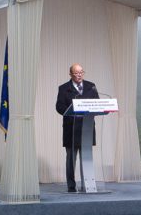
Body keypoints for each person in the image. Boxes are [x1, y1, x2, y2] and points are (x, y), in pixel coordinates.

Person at [55, 63, 99, 192]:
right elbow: (59, 106)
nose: (79, 75)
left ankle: (87, 185)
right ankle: (71, 186)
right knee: (71, 159)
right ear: (70, 74)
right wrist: (71, 112)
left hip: (87, 128)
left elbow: (97, 103)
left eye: (81, 72)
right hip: (71, 128)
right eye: (76, 73)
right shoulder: (63, 88)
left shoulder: (91, 86)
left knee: (86, 159)